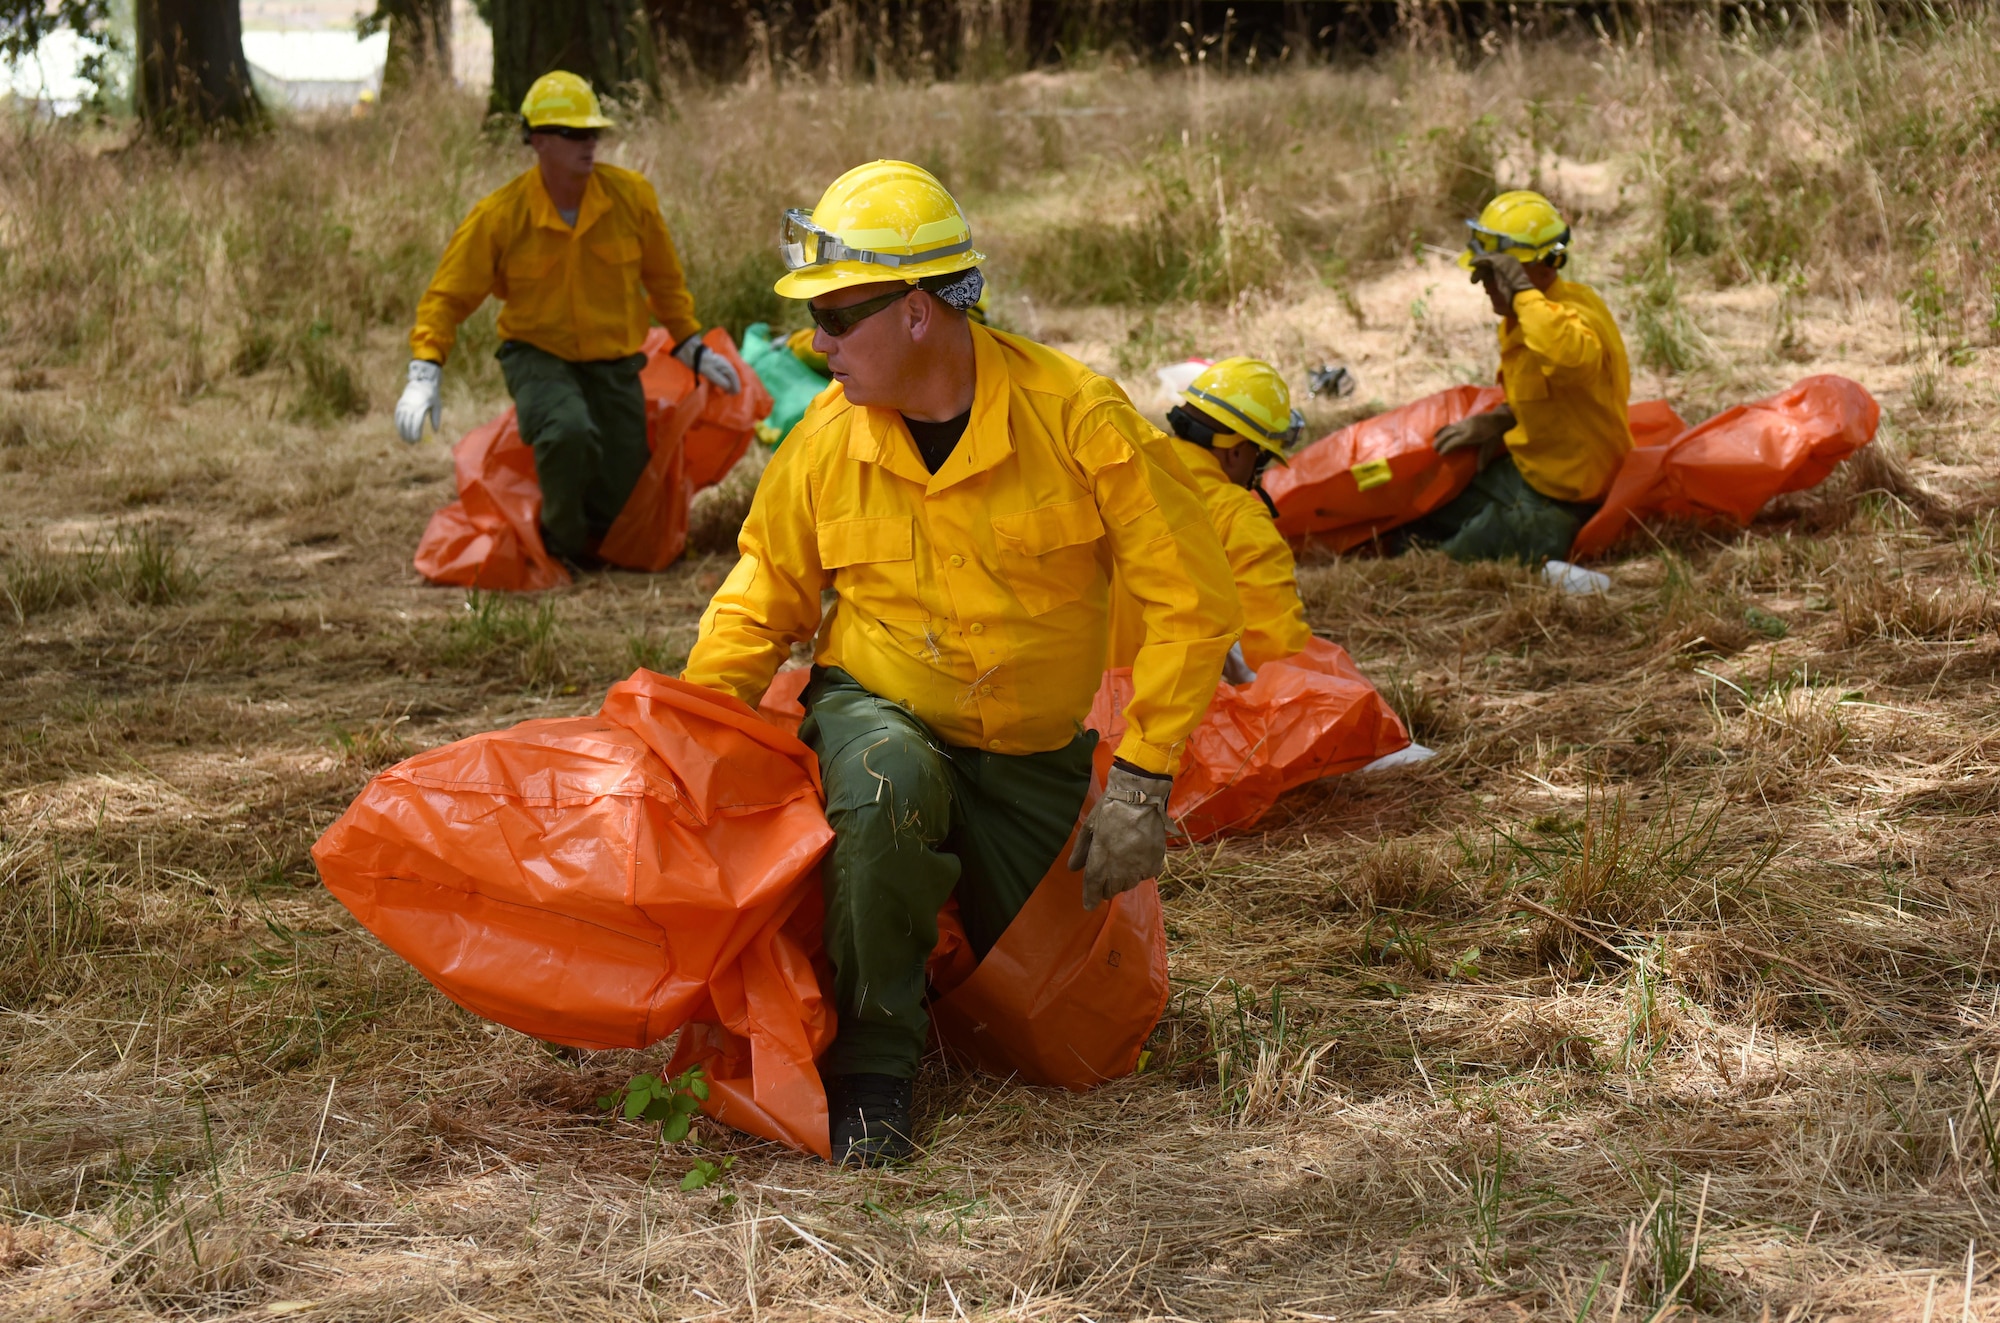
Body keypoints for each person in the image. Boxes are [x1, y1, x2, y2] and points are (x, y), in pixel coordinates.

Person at [678, 161, 1241, 1166]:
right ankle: (870, 1075)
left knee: (1069, 1036)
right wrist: (682, 745)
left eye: (838, 317)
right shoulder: (822, 442)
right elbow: (760, 598)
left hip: (1027, 757)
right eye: (814, 319)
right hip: (876, 709)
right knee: (890, 784)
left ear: (918, 313)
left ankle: (905, 955)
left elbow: (1191, 600)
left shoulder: (1077, 419)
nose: (818, 344)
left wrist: (1144, 783)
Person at [393, 71, 741, 567]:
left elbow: (665, 281)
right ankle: (562, 548)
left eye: (593, 132)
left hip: (615, 361)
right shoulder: (500, 216)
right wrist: (424, 370)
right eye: (573, 134)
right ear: (537, 141)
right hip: (538, 356)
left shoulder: (632, 198)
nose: (588, 144)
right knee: (568, 431)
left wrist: (691, 345)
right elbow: (447, 296)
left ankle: (598, 548)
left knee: (624, 482)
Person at [1405, 190, 1631, 564]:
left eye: (1497, 271)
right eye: (1483, 271)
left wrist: (1522, 293)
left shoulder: (1573, 315)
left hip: (1568, 502)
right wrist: (1498, 420)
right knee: (1420, 515)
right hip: (1529, 473)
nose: (1484, 283)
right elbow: (1555, 397)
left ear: (1544, 268)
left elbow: (1568, 361)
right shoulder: (1521, 319)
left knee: (1440, 564)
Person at [1108, 357, 1311, 683]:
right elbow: (1278, 654)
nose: (1256, 475)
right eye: (1260, 460)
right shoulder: (1237, 518)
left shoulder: (1113, 481)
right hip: (1165, 717)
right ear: (1236, 452)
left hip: (1080, 713)